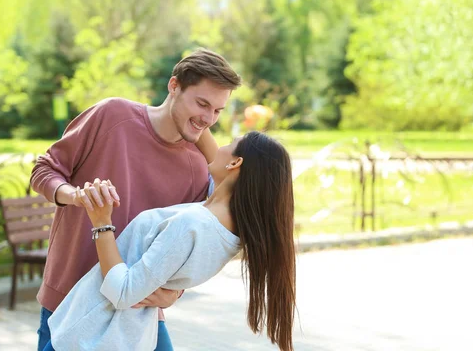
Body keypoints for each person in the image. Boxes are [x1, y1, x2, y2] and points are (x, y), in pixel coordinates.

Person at [30, 48, 241, 351]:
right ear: (174, 86)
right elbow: (45, 169)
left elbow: (182, 250)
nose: (208, 119)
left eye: (218, 111)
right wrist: (75, 197)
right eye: (202, 103)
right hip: (68, 300)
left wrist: (173, 294)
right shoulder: (111, 116)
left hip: (137, 315)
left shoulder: (199, 167)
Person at [43, 132, 297, 351]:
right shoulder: (228, 229)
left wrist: (101, 221)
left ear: (236, 162)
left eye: (229, 143)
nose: (219, 147)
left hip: (92, 335)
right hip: (121, 336)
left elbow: (123, 293)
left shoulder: (193, 225)